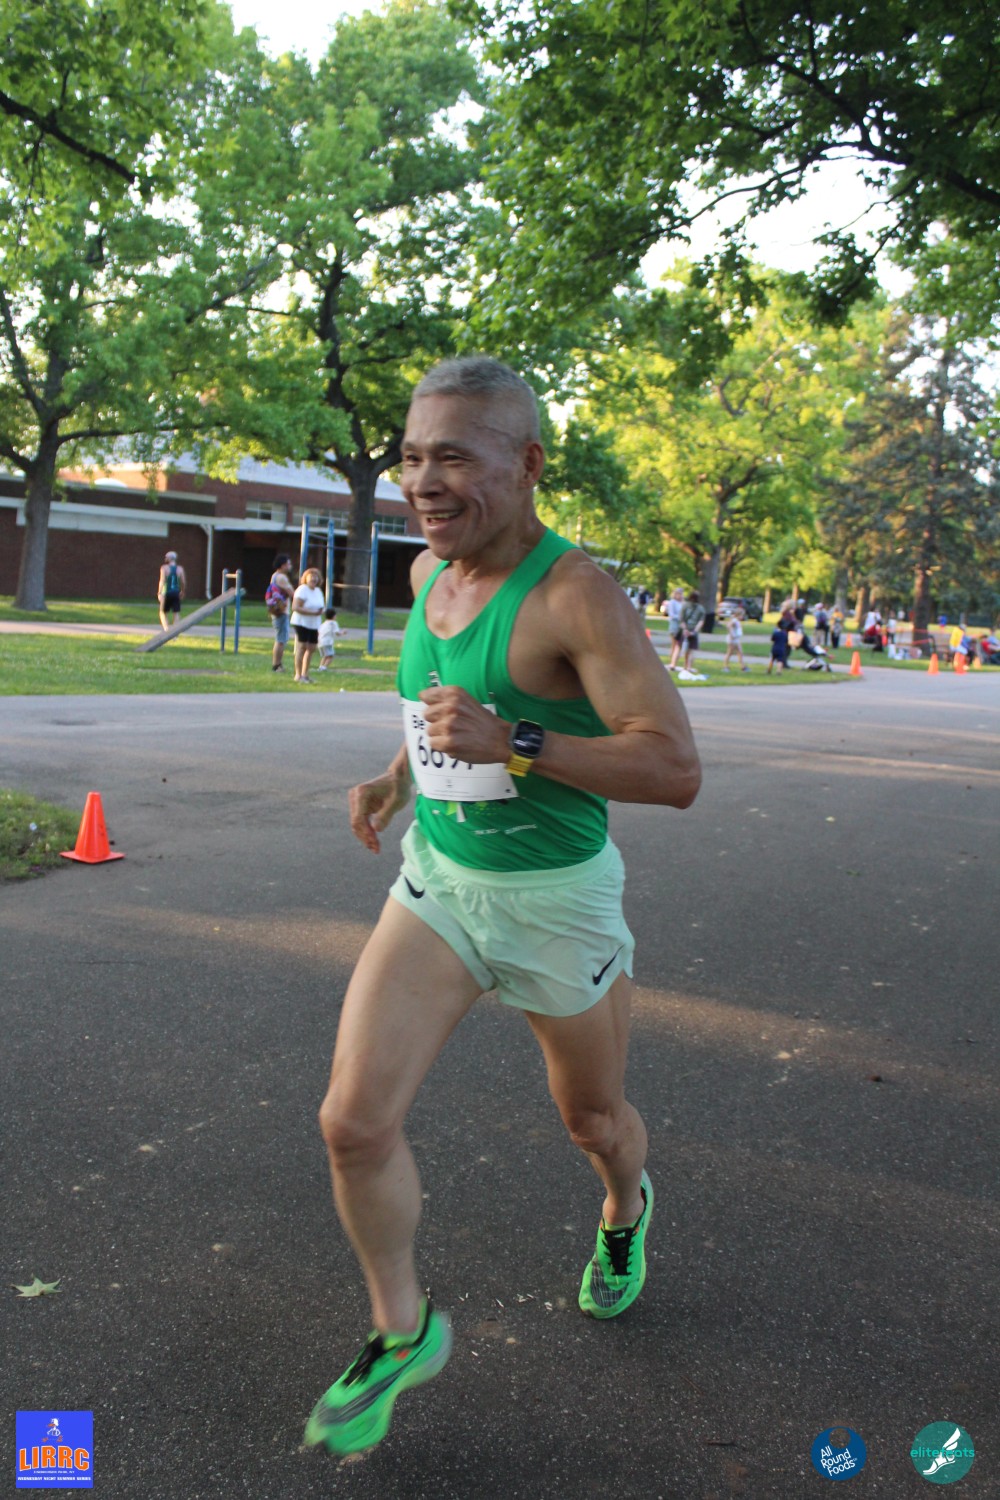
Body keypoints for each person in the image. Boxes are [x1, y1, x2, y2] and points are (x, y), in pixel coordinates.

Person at [303, 356, 702, 1459]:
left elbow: (674, 769)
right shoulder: (432, 572)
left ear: (525, 465)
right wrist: (399, 774)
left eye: (453, 458)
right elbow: (446, 708)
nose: (423, 482)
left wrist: (516, 742)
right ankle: (402, 1332)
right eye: (411, 457)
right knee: (351, 1123)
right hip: (440, 885)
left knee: (592, 1123)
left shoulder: (577, 596)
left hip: (554, 904)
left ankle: (624, 1209)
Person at [290, 566, 325, 683]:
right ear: (306, 578)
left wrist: (321, 611)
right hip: (301, 622)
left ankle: (305, 674)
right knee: (302, 646)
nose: (314, 579)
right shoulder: (302, 590)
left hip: (314, 623)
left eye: (316, 577)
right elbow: (296, 607)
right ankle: (298, 675)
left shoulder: (318, 591)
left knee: (311, 648)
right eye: (311, 576)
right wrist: (312, 612)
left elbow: (320, 606)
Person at [266, 554, 295, 673]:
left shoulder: (274, 576)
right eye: (288, 563)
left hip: (276, 610)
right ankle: (277, 665)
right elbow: (292, 593)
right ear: (283, 565)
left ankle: (277, 664)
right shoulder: (281, 578)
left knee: (280, 638)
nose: (290, 566)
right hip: (281, 612)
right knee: (281, 639)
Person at [156, 550, 185, 630]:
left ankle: (167, 629)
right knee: (176, 612)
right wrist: (182, 591)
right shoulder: (180, 569)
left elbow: (162, 581)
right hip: (176, 592)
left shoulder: (164, 568)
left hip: (166, 593)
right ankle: (175, 631)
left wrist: (159, 592)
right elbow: (183, 582)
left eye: (166, 557)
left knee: (162, 612)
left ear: (169, 558)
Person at [680, 591, 706, 672]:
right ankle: (689, 667)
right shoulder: (701, 608)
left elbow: (682, 619)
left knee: (685, 649)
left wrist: (685, 629)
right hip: (694, 630)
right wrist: (694, 631)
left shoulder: (685, 606)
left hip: (685, 630)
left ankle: (685, 666)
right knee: (692, 650)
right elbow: (701, 621)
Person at [722, 606, 749, 672]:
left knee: (740, 653)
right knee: (729, 653)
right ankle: (725, 667)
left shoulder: (737, 621)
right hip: (733, 640)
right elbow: (729, 626)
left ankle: (743, 667)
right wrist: (732, 634)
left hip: (736, 639)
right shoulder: (734, 620)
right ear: (738, 615)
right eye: (742, 615)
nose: (742, 617)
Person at [665, 587, 686, 670]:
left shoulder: (683, 603)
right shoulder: (672, 602)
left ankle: (674, 662)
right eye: (678, 594)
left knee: (679, 644)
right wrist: (680, 617)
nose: (680, 595)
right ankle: (672, 662)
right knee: (674, 644)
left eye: (681, 594)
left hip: (681, 626)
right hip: (674, 625)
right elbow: (672, 615)